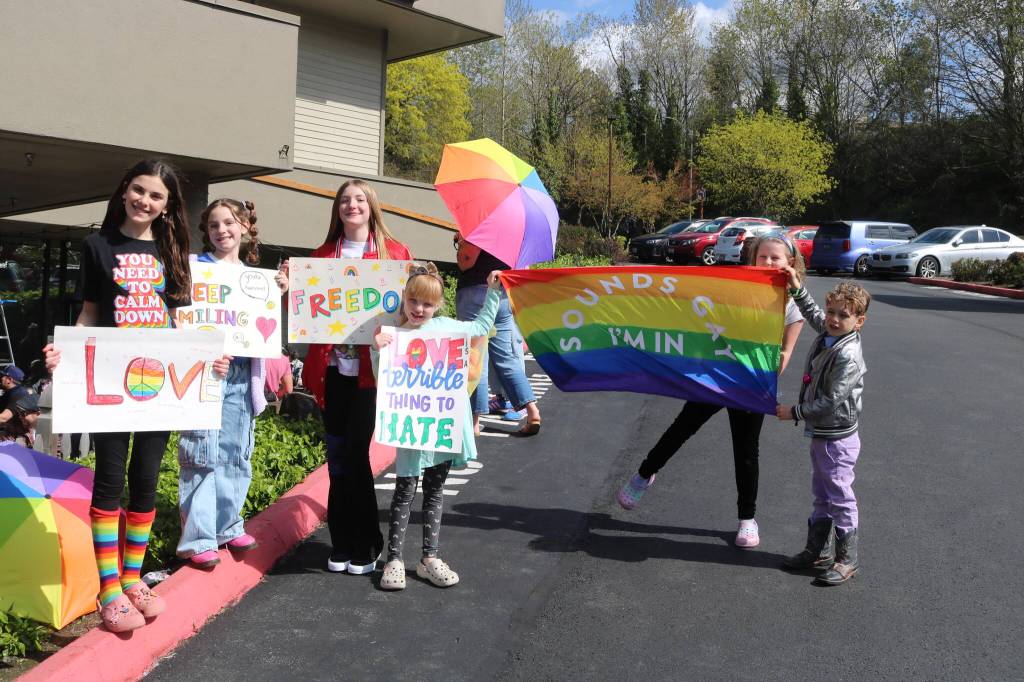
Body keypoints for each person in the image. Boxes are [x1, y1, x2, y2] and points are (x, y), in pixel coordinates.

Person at [43, 159, 229, 633]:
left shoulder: (173, 251)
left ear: (168, 206)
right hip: (109, 384)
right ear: (125, 189)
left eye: (156, 196)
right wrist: (63, 352)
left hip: (161, 386)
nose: (145, 201)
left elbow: (183, 323)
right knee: (109, 479)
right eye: (139, 190)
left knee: (145, 479)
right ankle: (109, 589)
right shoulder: (97, 246)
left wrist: (209, 361)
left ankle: (132, 580)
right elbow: (89, 314)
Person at [616, 232, 807, 548]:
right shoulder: (736, 288)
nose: (768, 262)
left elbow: (785, 355)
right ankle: (644, 474)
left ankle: (747, 519)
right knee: (682, 428)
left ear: (790, 263)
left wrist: (768, 363)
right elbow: (701, 313)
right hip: (718, 375)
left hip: (752, 384)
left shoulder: (791, 305)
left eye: (775, 258)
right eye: (762, 257)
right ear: (752, 259)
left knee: (746, 452)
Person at [300, 179, 412, 575]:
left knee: (355, 454)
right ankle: (342, 541)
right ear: (337, 209)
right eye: (345, 200)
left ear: (372, 206)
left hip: (371, 374)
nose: (352, 205)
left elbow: (411, 311)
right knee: (336, 458)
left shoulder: (394, 253)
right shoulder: (321, 256)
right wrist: (287, 286)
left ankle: (367, 542)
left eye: (360, 199)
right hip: (332, 372)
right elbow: (306, 311)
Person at [374, 263, 503, 590]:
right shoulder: (394, 336)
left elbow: (483, 326)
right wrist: (379, 352)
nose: (419, 309)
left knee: (434, 492)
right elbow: (383, 381)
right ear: (404, 298)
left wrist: (492, 291)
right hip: (412, 430)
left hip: (441, 427)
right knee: (404, 492)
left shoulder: (448, 328)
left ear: (439, 305)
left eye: (427, 304)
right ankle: (394, 559)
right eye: (413, 300)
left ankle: (428, 559)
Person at [175, 199, 288, 569]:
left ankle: (228, 525)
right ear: (206, 232)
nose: (221, 230)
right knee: (200, 452)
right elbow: (180, 319)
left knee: (235, 452)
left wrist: (278, 291)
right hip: (205, 373)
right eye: (214, 225)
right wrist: (204, 354)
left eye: (228, 223)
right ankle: (198, 539)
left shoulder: (255, 278)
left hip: (241, 374)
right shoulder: (195, 269)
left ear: (244, 227)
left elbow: (258, 326)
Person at [776, 277, 869, 586]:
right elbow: (814, 314)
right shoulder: (830, 333)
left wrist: (795, 412)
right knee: (822, 493)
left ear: (859, 321)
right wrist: (797, 288)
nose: (833, 319)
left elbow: (831, 400)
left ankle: (847, 559)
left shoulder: (847, 355)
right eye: (832, 312)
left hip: (838, 438)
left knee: (840, 495)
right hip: (823, 434)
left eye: (844, 315)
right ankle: (818, 551)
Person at [453, 234, 541, 435]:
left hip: (475, 294)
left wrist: (462, 242)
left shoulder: (477, 227)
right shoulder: (515, 229)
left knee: (476, 358)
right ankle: (532, 411)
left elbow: (466, 262)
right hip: (502, 293)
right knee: (507, 358)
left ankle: (474, 422)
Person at [0, 365, 39, 446]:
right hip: (9, 433)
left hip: (19, 438)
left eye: (1, 377)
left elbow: (4, 417)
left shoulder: (20, 393)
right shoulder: (9, 393)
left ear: (9, 379)